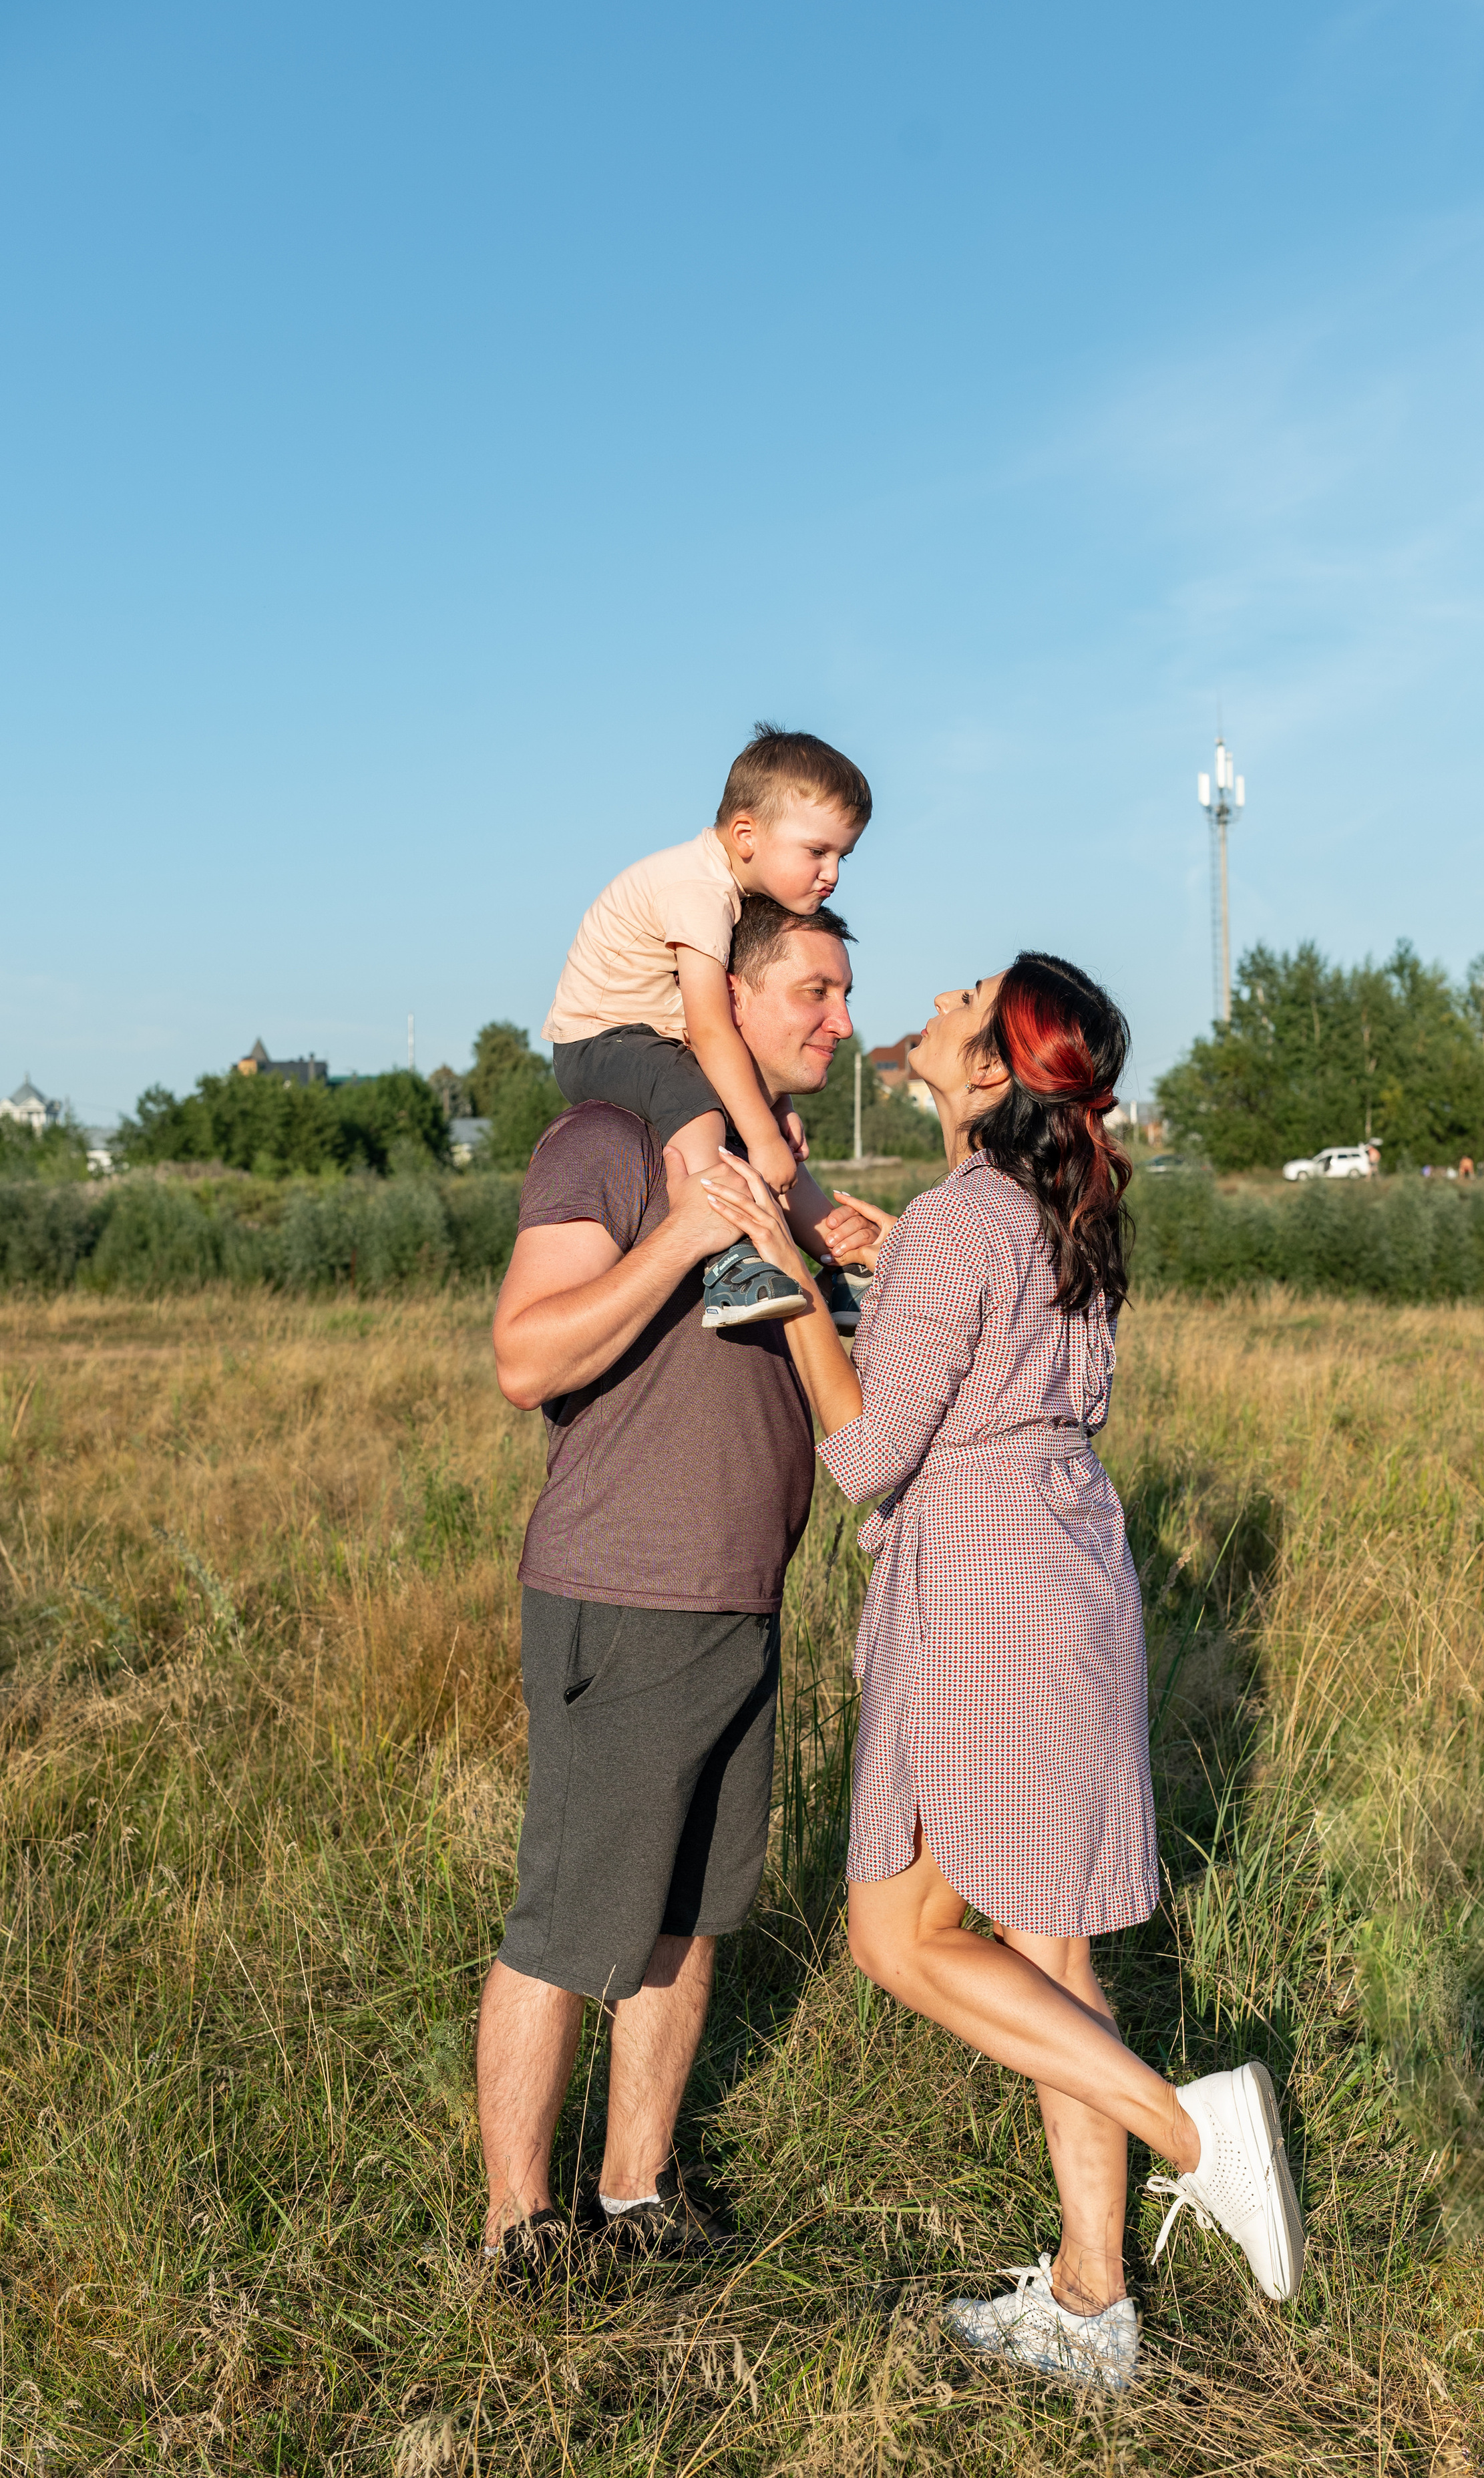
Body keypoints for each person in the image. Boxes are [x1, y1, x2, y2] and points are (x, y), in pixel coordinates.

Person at [703, 952, 1306, 2395]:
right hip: (1067, 1566)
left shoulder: (957, 1219)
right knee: (1047, 1948)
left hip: (975, 1580)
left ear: (986, 1074)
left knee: (894, 1937)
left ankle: (1191, 2130)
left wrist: (794, 1292)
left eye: (969, 996)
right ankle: (1093, 2299)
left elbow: (863, 1455)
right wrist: (871, 1270)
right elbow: (976, 1357)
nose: (940, 991)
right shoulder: (1049, 1206)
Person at [478, 894, 868, 2298]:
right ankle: (521, 2234)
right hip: (622, 1587)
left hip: (738, 1593)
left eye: (841, 994)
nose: (839, 1020)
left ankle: (636, 2192)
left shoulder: (777, 1169)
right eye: (812, 992)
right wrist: (679, 1238)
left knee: (686, 1917)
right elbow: (528, 1359)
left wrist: (836, 1259)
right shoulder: (608, 1143)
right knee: (571, 1922)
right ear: (726, 1000)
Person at [542, 723, 872, 1333]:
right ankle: (729, 1259)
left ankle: (842, 1263)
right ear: (746, 834)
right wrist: (766, 1137)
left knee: (754, 1113)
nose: (831, 873)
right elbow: (712, 1028)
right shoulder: (699, 891)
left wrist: (776, 1106)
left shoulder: (728, 889)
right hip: (597, 1040)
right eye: (817, 851)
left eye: (841, 856)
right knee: (699, 1102)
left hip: (649, 1033)